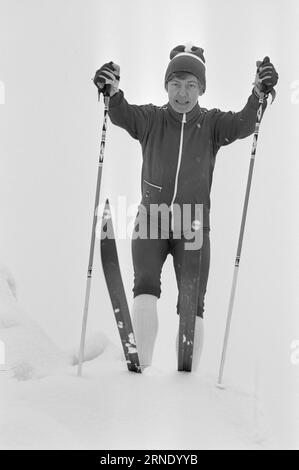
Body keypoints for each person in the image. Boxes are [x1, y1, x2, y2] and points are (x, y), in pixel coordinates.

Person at [94, 43, 278, 372]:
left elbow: (243, 124)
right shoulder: (150, 119)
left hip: (192, 225)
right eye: (176, 84)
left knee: (193, 300)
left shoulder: (211, 124)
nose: (183, 92)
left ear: (201, 89)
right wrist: (112, 91)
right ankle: (141, 363)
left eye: (191, 85)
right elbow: (121, 113)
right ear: (166, 86)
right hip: (152, 219)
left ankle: (187, 372)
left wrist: (258, 93)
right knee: (145, 283)